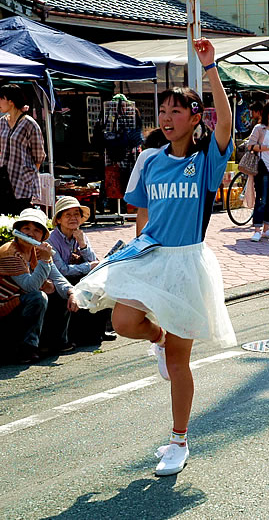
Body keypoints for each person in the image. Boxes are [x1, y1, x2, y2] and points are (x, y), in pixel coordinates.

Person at [73, 37, 235, 477]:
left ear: (195, 118)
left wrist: (211, 68)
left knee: (182, 362)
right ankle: (157, 338)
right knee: (122, 322)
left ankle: (179, 440)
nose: (166, 118)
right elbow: (141, 216)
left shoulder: (205, 162)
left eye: (176, 111)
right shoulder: (148, 158)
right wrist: (131, 260)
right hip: (150, 257)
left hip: (188, 263)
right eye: (162, 112)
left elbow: (227, 130)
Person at [0, 208, 79, 363]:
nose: (30, 234)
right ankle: (27, 349)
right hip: (5, 304)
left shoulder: (37, 250)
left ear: (43, 235)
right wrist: (45, 262)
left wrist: (71, 292)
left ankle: (56, 342)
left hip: (20, 299)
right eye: (26, 229)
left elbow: (57, 277)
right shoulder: (9, 252)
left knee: (59, 290)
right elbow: (31, 287)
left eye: (36, 230)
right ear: (18, 231)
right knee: (38, 296)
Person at [47, 196, 116, 346]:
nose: (73, 218)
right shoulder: (51, 241)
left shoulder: (79, 235)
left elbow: (94, 261)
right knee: (84, 284)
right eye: (68, 215)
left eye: (76, 214)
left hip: (77, 275)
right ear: (58, 219)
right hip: (60, 280)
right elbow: (62, 270)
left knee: (102, 280)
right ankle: (81, 335)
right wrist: (87, 266)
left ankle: (100, 329)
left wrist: (83, 245)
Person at [0, 84, 46, 216]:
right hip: (3, 179)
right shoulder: (2, 122)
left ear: (11, 101)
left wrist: (28, 175)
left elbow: (39, 156)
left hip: (21, 181)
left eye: (1, 98)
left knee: (20, 218)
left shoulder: (29, 124)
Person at [247, 100, 269, 242]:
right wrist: (268, 148)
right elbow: (251, 146)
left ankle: (266, 229)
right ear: (267, 112)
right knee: (261, 199)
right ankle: (257, 229)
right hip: (263, 168)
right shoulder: (259, 128)